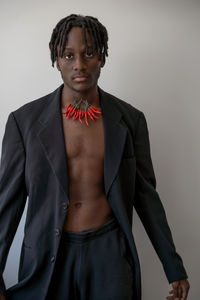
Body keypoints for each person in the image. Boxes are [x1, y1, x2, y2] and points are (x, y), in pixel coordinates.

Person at [0, 14, 190, 300]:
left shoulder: (130, 120)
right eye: (68, 55)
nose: (79, 64)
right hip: (49, 255)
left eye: (89, 53)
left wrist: (173, 267)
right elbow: (7, 206)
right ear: (56, 60)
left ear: (102, 57)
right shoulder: (23, 122)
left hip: (109, 253)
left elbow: (147, 196)